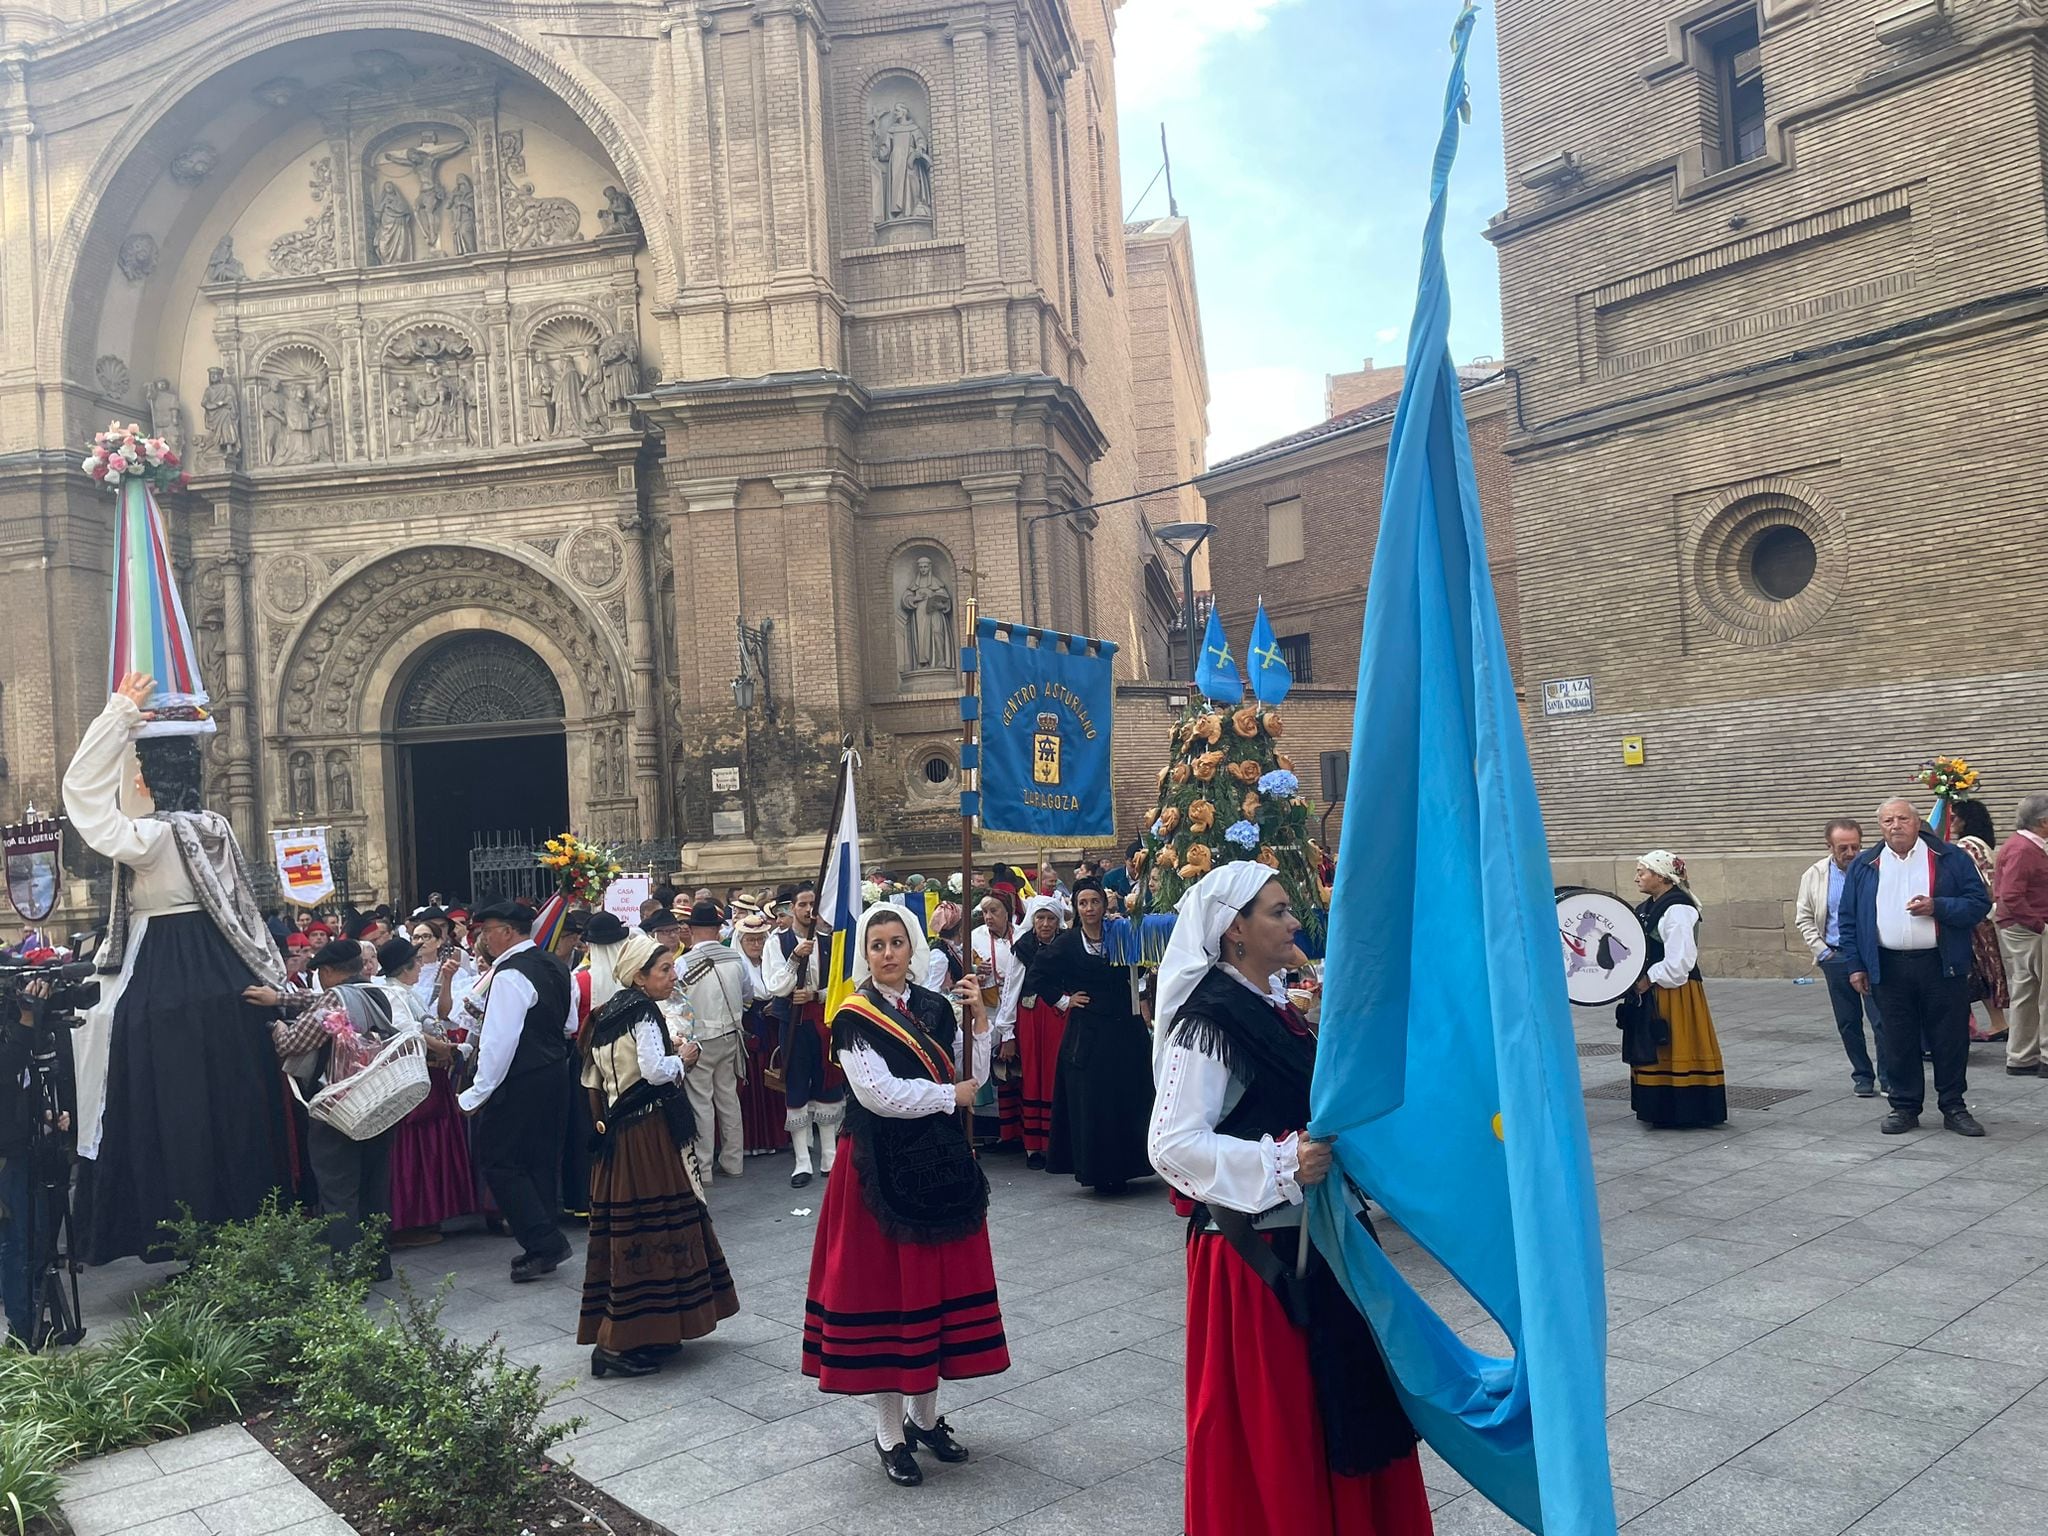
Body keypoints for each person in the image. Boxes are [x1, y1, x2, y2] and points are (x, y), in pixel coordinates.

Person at [1146, 864, 1431, 1536]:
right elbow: (1171, 1146)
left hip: (1321, 1241)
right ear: (1234, 930)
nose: (1294, 920)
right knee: (1282, 1426)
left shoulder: (1274, 1004)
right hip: (1259, 1261)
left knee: (1341, 1406)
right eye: (1277, 911)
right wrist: (1278, 1162)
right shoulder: (1207, 1022)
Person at [62, 673, 296, 1264]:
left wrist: (118, 718)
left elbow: (83, 796)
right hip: (222, 967)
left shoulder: (153, 839)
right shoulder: (214, 829)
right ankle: (251, 1224)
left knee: (155, 1096)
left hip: (164, 969)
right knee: (234, 1106)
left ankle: (182, 1232)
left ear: (149, 779)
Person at [801, 904, 1008, 1488]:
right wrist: (952, 1097)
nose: (888, 953)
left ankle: (925, 1418)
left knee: (932, 1292)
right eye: (877, 945)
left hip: (937, 1164)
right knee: (891, 1297)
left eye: (896, 943)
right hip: (877, 1169)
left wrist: (980, 1024)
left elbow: (976, 1077)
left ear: (911, 947)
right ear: (865, 954)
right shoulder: (854, 1017)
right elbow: (878, 1095)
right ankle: (889, 1431)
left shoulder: (938, 1007)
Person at [579, 932, 739, 1377]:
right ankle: (620, 1342)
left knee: (627, 1232)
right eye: (664, 970)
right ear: (639, 977)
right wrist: (683, 1057)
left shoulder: (604, 1015)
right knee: (656, 1226)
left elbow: (591, 1079)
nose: (673, 976)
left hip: (618, 1137)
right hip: (647, 1133)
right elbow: (653, 1071)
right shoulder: (644, 1012)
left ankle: (650, 1330)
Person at [1838, 798, 1991, 1137]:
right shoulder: (1866, 865)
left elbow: (1978, 903)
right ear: (1880, 827)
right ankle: (1904, 1107)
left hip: (1940, 963)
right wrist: (1856, 965)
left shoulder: (1949, 858)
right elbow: (1848, 920)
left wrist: (1939, 906)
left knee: (1949, 1038)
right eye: (1888, 820)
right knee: (1897, 1039)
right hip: (1888, 966)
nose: (1896, 826)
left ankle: (1954, 1106)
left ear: (1917, 822)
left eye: (1903, 819)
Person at [461, 900, 577, 1278]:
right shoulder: (557, 965)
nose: (482, 938)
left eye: (487, 930)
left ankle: (544, 1240)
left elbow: (499, 1042)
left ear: (507, 932)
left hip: (521, 1077)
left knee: (500, 1159)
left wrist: (477, 1093)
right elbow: (569, 1023)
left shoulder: (509, 974)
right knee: (540, 1159)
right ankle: (543, 1243)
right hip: (554, 1070)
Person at [287, 939, 402, 1270]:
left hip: (337, 1106)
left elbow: (294, 1043)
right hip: (376, 1101)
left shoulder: (332, 1000)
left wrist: (278, 1028)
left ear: (327, 971)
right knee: (373, 1185)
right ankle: (378, 1263)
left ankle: (348, 1270)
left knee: (339, 1191)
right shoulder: (375, 994)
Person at [1041, 877, 1156, 1190]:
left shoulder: (1117, 934)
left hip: (1125, 1029)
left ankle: (1132, 1164)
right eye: (1083, 903)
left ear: (1104, 905)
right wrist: (1066, 1000)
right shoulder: (1067, 942)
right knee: (1095, 1101)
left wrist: (1132, 934)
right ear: (1076, 908)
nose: (1089, 908)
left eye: (1094, 902)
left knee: (1128, 1094)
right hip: (1089, 1033)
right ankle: (1099, 1171)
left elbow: (1141, 967)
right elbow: (1039, 974)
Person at [373, 935, 471, 1246]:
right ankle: (407, 1221)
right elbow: (407, 1030)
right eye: (415, 963)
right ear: (403, 968)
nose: (419, 967)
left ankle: (428, 1214)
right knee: (414, 1149)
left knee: (431, 1146)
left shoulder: (408, 992)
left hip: (431, 1077)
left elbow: (435, 1017)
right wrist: (441, 1046)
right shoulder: (390, 994)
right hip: (413, 1081)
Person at [1621, 851, 1728, 1128]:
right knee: (1654, 1048)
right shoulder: (1648, 906)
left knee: (1673, 1044)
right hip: (1653, 989)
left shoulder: (1678, 908)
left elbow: (1680, 961)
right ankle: (1659, 1108)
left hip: (1674, 991)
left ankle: (1683, 1109)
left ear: (1660, 876)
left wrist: (1650, 978)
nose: (1637, 878)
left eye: (1642, 872)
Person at [761, 883, 844, 1190]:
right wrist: (795, 957)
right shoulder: (777, 942)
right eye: (802, 905)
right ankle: (801, 1161)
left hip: (822, 1021)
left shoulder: (828, 942)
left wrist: (816, 994)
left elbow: (838, 985)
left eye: (812, 904)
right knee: (796, 1086)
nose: (808, 910)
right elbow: (775, 985)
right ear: (791, 909)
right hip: (792, 1024)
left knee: (827, 1084)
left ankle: (829, 1157)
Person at [1795, 818, 1886, 1097]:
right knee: (1848, 1021)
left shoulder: (1875, 869)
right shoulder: (1815, 874)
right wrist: (1823, 952)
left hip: (1872, 955)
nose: (1850, 853)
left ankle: (1889, 1076)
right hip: (1836, 955)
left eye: (1856, 847)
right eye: (1843, 848)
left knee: (1882, 1019)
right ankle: (1862, 1075)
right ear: (1829, 847)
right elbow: (1804, 917)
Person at [678, 899, 750, 1188]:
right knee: (728, 1099)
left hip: (700, 1040)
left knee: (701, 1104)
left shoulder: (683, 963)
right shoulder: (735, 958)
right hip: (731, 1035)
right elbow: (749, 993)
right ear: (718, 929)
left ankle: (704, 1168)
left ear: (692, 929)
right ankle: (734, 1162)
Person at [1010, 896, 1068, 1168]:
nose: (1045, 924)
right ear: (1032, 921)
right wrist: (1006, 1031)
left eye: (1051, 918)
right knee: (1034, 1075)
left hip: (1061, 1016)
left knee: (1058, 1075)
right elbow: (1011, 989)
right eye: (1040, 918)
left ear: (1059, 921)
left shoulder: (1068, 943)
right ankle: (1033, 1146)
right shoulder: (1023, 948)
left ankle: (1059, 1142)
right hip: (1031, 1017)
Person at [1948, 799, 2010, 1043]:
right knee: (1987, 968)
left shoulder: (1965, 845)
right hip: (1986, 914)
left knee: (1981, 970)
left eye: (1955, 818)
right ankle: (1998, 1021)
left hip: (1974, 915)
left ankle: (1997, 1022)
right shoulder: (1982, 843)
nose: (1951, 823)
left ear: (1965, 820)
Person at [1995, 794, 2048, 1077]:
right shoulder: (2025, 849)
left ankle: (2021, 1056)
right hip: (2029, 928)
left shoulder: (2020, 845)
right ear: (2044, 821)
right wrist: (2040, 926)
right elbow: (2011, 895)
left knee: (2026, 992)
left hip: (2019, 926)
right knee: (2043, 993)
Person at [732, 911, 791, 1156]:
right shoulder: (737, 966)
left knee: (775, 1080)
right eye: (750, 940)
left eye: (760, 940)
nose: (756, 945)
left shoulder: (771, 964)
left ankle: (777, 1137)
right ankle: (753, 1140)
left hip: (773, 1028)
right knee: (753, 1083)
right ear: (741, 942)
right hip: (751, 1031)